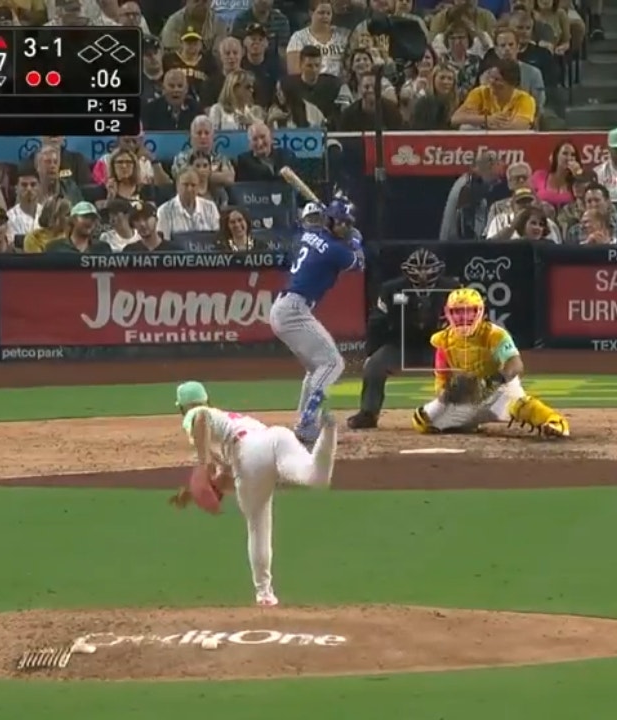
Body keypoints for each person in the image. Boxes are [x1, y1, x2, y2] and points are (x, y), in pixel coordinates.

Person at [168, 380, 338, 607]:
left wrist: (201, 466)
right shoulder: (226, 422)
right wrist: (195, 491)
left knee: (257, 524)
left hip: (248, 452)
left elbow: (200, 418)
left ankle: (264, 594)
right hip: (276, 437)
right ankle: (328, 428)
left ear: (182, 408)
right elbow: (228, 477)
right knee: (316, 478)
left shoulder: (198, 414)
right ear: (208, 399)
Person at [410, 287, 568, 437]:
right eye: (458, 312)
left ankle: (555, 422)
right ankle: (466, 423)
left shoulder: (495, 334)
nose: (463, 317)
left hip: (499, 391)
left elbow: (515, 364)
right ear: (448, 313)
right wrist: (447, 394)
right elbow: (441, 378)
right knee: (422, 421)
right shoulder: (442, 341)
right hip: (469, 394)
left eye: (469, 311)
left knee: (521, 405)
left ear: (479, 312)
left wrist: (492, 381)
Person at [269, 198, 364, 446]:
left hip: (286, 308)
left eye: (348, 224)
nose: (344, 227)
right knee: (333, 363)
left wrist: (346, 235)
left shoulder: (310, 234)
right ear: (330, 220)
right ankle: (307, 422)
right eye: (341, 223)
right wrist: (355, 240)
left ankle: (305, 422)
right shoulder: (335, 250)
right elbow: (359, 264)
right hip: (293, 310)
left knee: (317, 368)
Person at [348, 247, 460, 430]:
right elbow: (376, 322)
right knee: (374, 365)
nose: (423, 275)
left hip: (439, 347)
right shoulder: (391, 290)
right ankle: (368, 413)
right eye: (418, 270)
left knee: (464, 367)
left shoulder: (453, 289)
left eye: (427, 269)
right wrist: (371, 352)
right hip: (400, 345)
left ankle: (459, 414)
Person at [450, 58, 534, 129]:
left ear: (511, 83)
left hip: (511, 141)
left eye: (497, 79)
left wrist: (494, 126)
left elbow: (520, 126)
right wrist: (487, 119)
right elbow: (455, 119)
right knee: (467, 128)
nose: (492, 82)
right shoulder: (479, 93)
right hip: (483, 138)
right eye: (491, 77)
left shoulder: (524, 99)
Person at [157, 169, 220, 237]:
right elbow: (164, 241)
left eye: (193, 185)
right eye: (185, 185)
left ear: (198, 187)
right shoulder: (164, 211)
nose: (189, 189)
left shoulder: (210, 208)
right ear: (177, 186)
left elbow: (215, 237)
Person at [45, 202, 112, 253]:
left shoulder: (102, 248)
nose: (90, 221)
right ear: (73, 219)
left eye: (93, 218)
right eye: (86, 217)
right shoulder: (55, 247)